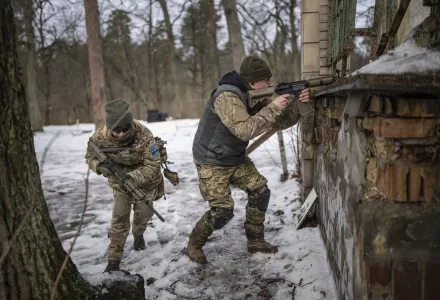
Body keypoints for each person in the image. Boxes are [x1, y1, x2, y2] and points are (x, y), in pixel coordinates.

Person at [187, 55, 311, 264]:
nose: (270, 83)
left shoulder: (250, 94)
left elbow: (279, 122)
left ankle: (256, 241)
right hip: (212, 160)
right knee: (222, 212)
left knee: (260, 191)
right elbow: (245, 130)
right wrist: (274, 107)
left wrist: (297, 104)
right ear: (253, 82)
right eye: (266, 80)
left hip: (234, 157)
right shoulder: (227, 96)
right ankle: (194, 244)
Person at [85, 99, 164, 272]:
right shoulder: (99, 137)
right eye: (117, 130)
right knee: (119, 218)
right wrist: (100, 167)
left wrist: (130, 177)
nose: (121, 134)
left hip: (145, 180)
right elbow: (89, 156)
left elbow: (153, 165)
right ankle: (114, 259)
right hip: (118, 182)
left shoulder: (145, 135)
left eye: (125, 129)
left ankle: (138, 233)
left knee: (144, 213)